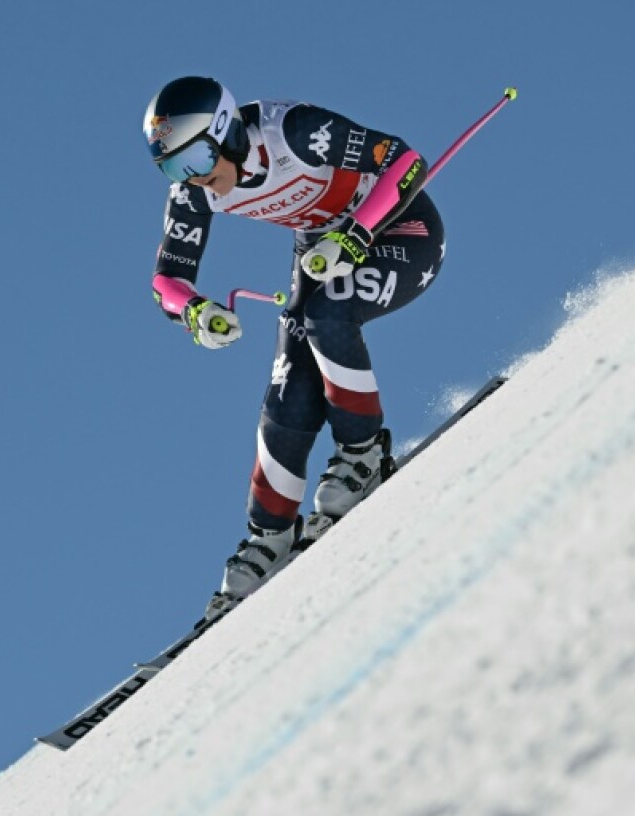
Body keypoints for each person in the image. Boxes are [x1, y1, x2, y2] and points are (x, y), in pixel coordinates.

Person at [143, 76, 445, 621]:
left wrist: (355, 234)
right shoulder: (194, 189)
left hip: (401, 232)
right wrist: (194, 310)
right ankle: (270, 536)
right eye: (171, 168)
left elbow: (405, 162)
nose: (193, 178)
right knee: (287, 392)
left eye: (196, 158)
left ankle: (363, 454)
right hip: (319, 255)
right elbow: (167, 277)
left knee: (327, 313)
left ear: (224, 131)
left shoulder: (294, 132)